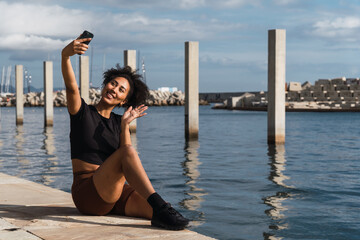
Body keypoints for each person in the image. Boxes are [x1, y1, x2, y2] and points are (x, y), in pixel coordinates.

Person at [61, 34, 189, 230]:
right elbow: (71, 88)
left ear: (123, 101)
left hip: (114, 192)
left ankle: (161, 209)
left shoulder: (119, 122)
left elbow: (126, 161)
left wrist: (124, 127)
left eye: (121, 90)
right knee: (128, 153)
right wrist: (65, 55)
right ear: (105, 85)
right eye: (113, 84)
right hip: (87, 194)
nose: (115, 89)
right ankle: (160, 206)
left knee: (169, 219)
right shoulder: (82, 113)